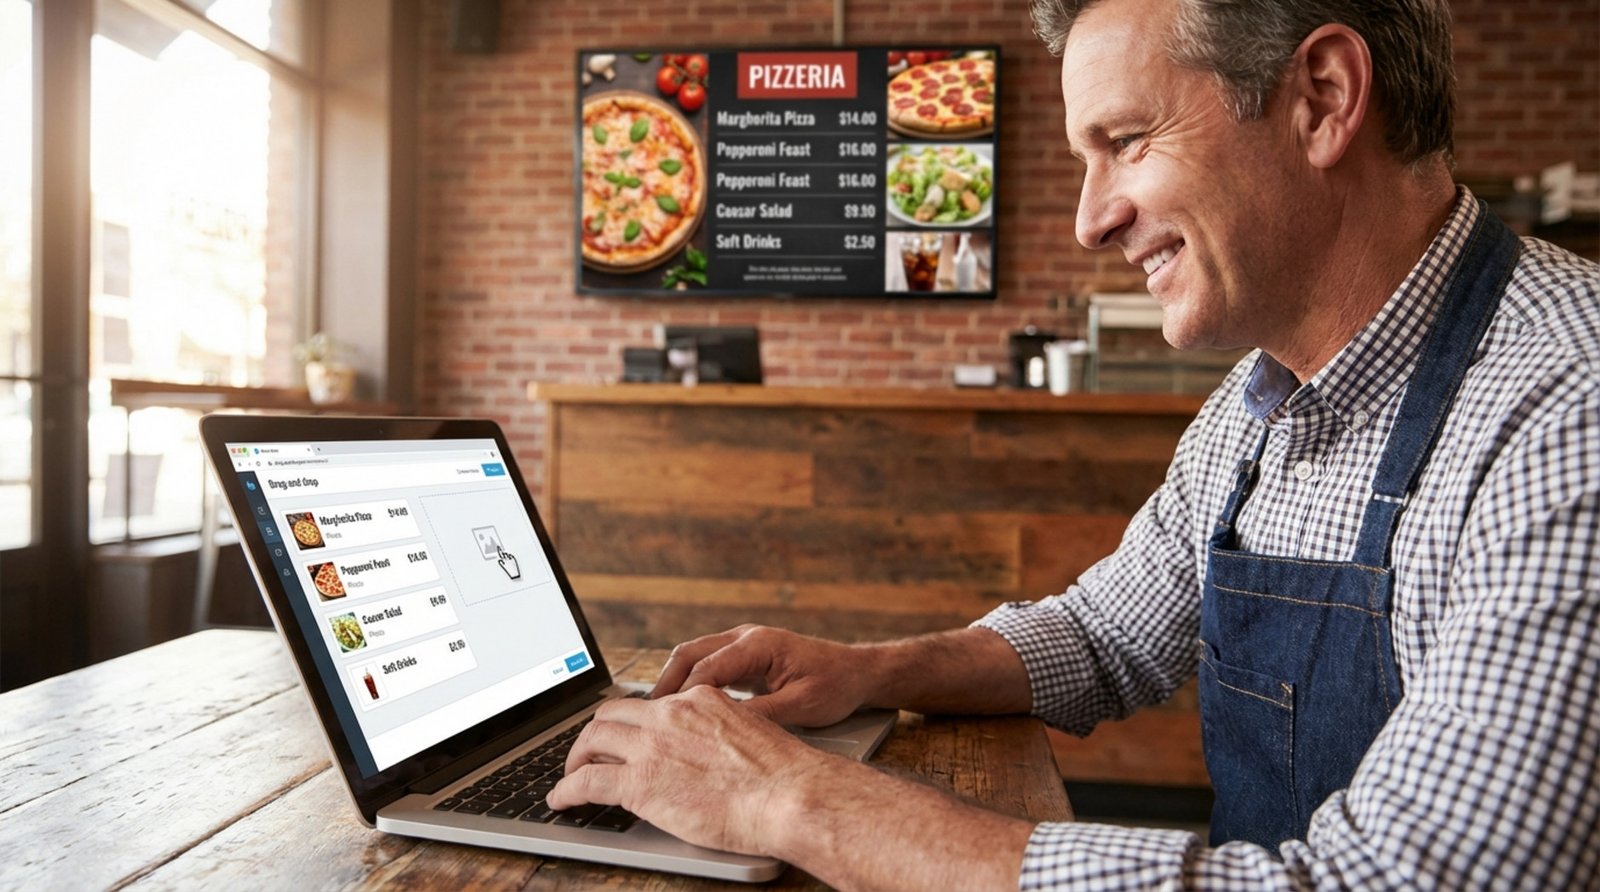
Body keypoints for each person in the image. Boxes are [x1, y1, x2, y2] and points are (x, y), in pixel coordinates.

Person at [549, 0, 1600, 886]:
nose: (1090, 221)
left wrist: (789, 799)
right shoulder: (1258, 404)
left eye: (1126, 140)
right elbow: (1105, 635)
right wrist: (868, 671)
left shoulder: (1567, 408)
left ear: (1322, 99)